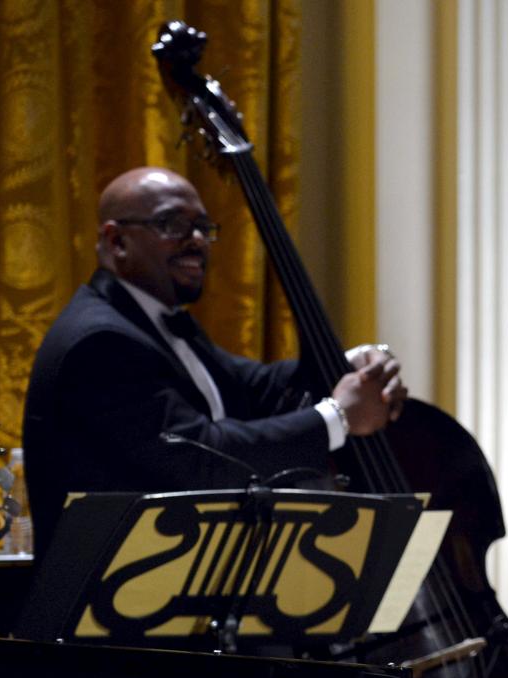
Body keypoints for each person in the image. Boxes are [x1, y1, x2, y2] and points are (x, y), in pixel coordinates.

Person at [23, 166, 407, 551]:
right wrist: (337, 418)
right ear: (117, 240)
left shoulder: (155, 322)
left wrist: (353, 364)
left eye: (202, 228)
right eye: (172, 224)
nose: (196, 241)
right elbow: (201, 455)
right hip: (105, 596)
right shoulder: (101, 340)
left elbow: (258, 386)